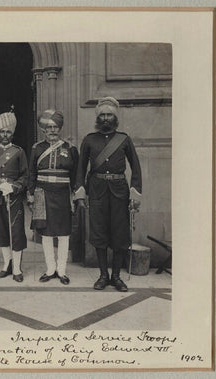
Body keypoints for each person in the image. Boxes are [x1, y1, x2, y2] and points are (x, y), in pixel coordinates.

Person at [74, 97, 142, 292]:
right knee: (99, 232)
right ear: (98, 117)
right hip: (96, 191)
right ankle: (103, 275)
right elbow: (80, 169)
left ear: (115, 117)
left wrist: (135, 193)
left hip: (120, 191)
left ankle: (116, 277)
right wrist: (80, 192)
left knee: (120, 234)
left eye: (109, 115)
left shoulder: (124, 139)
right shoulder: (89, 140)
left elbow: (136, 168)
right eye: (102, 115)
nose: (105, 118)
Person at [27, 109, 79, 285]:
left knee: (64, 234)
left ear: (60, 128)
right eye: (49, 128)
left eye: (55, 127)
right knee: (46, 234)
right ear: (43, 129)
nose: (52, 131)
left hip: (64, 195)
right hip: (42, 195)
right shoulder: (36, 148)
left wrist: (76, 195)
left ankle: (62, 270)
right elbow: (31, 173)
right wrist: (31, 194)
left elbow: (76, 175)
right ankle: (50, 269)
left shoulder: (70, 149)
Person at [0, 112, 29, 282]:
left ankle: (17, 268)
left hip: (14, 199)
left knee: (16, 233)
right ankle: (6, 265)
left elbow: (25, 176)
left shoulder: (19, 152)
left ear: (12, 133)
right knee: (1, 232)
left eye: (8, 132)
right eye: (2, 132)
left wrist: (13, 187)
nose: (5, 135)